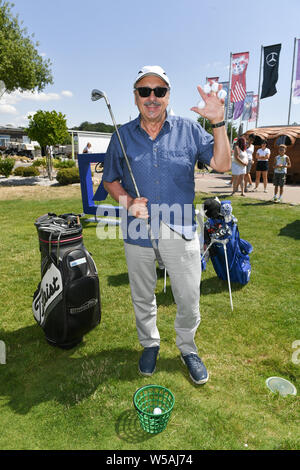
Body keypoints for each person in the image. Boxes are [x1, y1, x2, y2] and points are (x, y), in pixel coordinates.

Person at [102, 65, 231, 385]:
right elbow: (109, 181)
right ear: (135, 97)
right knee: (142, 296)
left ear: (168, 96)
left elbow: (223, 165)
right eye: (144, 91)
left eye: (159, 91)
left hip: (182, 230)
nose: (152, 97)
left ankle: (187, 347)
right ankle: (150, 343)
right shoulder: (121, 136)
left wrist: (217, 122)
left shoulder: (190, 130)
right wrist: (128, 203)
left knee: (188, 296)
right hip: (138, 232)